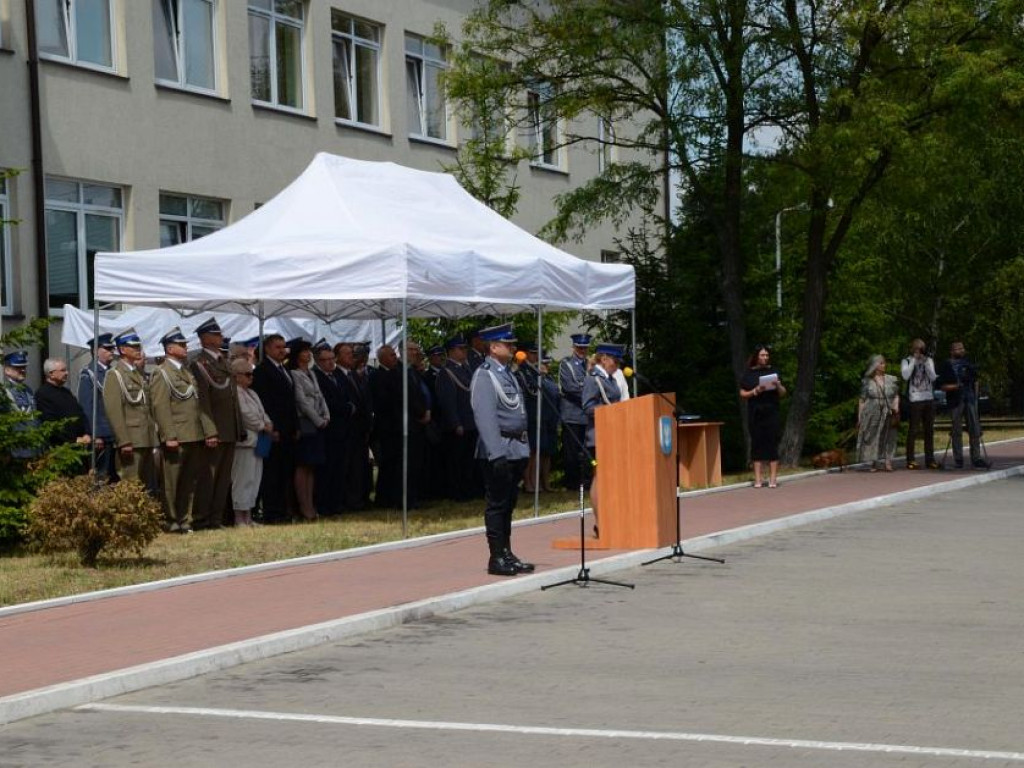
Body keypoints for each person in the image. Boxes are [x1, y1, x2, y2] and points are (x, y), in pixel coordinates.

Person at [470, 323, 534, 576]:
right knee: (497, 504)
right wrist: (496, 453)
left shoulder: (507, 373)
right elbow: (485, 417)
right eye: (508, 344)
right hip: (498, 450)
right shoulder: (485, 374)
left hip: (515, 448)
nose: (512, 348)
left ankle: (507, 552)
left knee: (509, 504)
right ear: (493, 348)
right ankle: (496, 556)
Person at [150, 327, 218, 533]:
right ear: (170, 349)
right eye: (181, 345)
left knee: (189, 481)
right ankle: (171, 520)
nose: (186, 347)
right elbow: (160, 407)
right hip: (177, 436)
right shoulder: (162, 373)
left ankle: (184, 519)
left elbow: (197, 407)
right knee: (172, 483)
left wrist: (208, 431)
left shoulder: (186, 371)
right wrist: (168, 435)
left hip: (193, 434)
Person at [190, 318, 241, 529]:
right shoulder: (199, 364)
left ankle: (216, 519)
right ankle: (202, 519)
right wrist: (209, 431)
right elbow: (202, 400)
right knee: (208, 478)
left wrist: (240, 427)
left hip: (229, 428)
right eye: (216, 334)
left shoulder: (223, 362)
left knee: (223, 479)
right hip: (215, 429)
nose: (220, 337)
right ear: (205, 338)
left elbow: (232, 398)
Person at [369, 344, 428, 509]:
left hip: (409, 424)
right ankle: (392, 499)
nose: (395, 358)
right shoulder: (383, 376)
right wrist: (419, 412)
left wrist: (423, 411)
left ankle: (408, 497)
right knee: (394, 465)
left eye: (395, 355)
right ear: (381, 358)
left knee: (409, 465)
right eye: (391, 356)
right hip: (393, 427)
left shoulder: (405, 372)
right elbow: (398, 399)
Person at [252, 333, 298, 524]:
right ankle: (272, 511)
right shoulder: (263, 371)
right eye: (278, 347)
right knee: (272, 473)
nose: (282, 350)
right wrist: (273, 428)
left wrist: (295, 426)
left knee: (285, 471)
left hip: (288, 429)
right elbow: (266, 403)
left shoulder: (284, 369)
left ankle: (283, 509)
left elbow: (290, 401)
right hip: (273, 430)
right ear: (268, 349)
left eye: (283, 346)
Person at [102, 329, 158, 486]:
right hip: (131, 439)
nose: (138, 349)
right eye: (133, 346)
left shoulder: (139, 374)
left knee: (146, 486)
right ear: (122, 349)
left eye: (139, 346)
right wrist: (123, 440)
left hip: (146, 438)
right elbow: (114, 411)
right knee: (130, 486)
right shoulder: (115, 375)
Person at [582, 343, 625, 537]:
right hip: (598, 436)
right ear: (605, 359)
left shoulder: (609, 379)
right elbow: (588, 406)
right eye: (615, 361)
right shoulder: (594, 379)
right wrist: (611, 412)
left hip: (613, 434)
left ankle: (613, 519)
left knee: (612, 479)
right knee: (599, 478)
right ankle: (600, 523)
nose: (617, 366)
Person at [289, 339, 329, 521]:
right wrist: (317, 419)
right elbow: (301, 401)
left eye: (309, 351)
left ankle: (311, 504)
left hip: (318, 420)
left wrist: (326, 415)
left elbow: (319, 395)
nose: (308, 354)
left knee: (311, 466)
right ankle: (304, 506)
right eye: (304, 351)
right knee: (303, 464)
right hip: (305, 421)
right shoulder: (294, 374)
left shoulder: (311, 374)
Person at [435, 334, 479, 501]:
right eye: (460, 349)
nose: (464, 352)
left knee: (468, 460)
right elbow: (447, 401)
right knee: (456, 461)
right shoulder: (447, 372)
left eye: (464, 348)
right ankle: (456, 491)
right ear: (451, 351)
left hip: (470, 422)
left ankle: (467, 489)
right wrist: (455, 423)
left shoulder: (465, 369)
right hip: (459, 424)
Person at [231, 357, 272, 527]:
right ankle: (239, 518)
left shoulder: (252, 392)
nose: (251, 378)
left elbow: (262, 412)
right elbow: (246, 415)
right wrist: (262, 425)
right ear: (236, 376)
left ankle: (248, 515)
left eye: (251, 374)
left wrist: (268, 423)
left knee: (255, 479)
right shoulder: (236, 393)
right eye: (247, 374)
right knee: (243, 479)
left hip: (259, 440)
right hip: (246, 441)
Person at [739, 345, 787, 488]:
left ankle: (773, 479)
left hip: (772, 411)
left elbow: (783, 393)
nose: (765, 358)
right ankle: (758, 479)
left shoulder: (773, 371)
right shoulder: (749, 374)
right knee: (757, 444)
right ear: (756, 357)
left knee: (772, 443)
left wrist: (778, 386)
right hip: (755, 413)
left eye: (766, 355)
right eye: (762, 355)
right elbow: (742, 393)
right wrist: (755, 391)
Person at [514, 343, 559, 493]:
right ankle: (528, 483)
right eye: (532, 353)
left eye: (536, 354)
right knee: (531, 452)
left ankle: (537, 482)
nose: (535, 357)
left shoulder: (535, 373)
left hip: (541, 416)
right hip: (530, 415)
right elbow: (529, 393)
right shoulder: (521, 373)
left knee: (540, 451)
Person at [313, 342, 352, 517]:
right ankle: (324, 505)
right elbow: (328, 402)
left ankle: (337, 503)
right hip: (328, 430)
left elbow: (349, 396)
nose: (330, 363)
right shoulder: (316, 377)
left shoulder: (339, 376)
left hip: (343, 430)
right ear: (317, 361)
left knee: (340, 469)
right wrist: (346, 408)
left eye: (331, 359)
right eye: (325, 360)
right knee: (326, 471)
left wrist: (349, 407)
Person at [937, 340, 987, 469]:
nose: (961, 350)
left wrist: (976, 398)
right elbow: (942, 386)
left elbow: (975, 381)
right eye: (958, 349)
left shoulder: (968, 363)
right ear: (952, 351)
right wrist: (956, 386)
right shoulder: (946, 365)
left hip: (969, 399)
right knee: (956, 430)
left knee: (974, 429)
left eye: (962, 348)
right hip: (955, 400)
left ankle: (976, 458)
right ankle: (958, 459)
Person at [335, 342, 372, 511]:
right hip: (345, 430)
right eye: (347, 353)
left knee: (358, 467)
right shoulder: (336, 375)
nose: (351, 356)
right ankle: (346, 501)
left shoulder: (354, 375)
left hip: (359, 430)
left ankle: (358, 499)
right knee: (346, 467)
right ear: (338, 357)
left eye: (352, 353)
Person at [77, 333, 117, 480]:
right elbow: (87, 406)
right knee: (101, 476)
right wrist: (95, 434)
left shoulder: (112, 372)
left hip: (114, 433)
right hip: (101, 435)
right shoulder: (89, 373)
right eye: (107, 348)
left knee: (113, 475)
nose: (111, 351)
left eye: (112, 348)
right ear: (95, 351)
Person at [559, 333, 593, 491]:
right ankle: (571, 483)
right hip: (572, 415)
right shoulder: (566, 364)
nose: (582, 350)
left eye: (585, 347)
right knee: (571, 452)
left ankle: (586, 481)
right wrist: (589, 393)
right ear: (573, 347)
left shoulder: (591, 364)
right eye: (579, 347)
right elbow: (570, 388)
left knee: (586, 451)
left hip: (586, 416)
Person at [857, 354, 900, 472]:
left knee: (890, 436)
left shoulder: (891, 379)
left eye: (884, 363)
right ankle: (874, 462)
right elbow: (862, 399)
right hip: (872, 411)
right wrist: (860, 417)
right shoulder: (867, 381)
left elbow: (896, 395)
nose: (884, 365)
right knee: (873, 436)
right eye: (881, 363)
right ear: (875, 365)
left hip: (888, 410)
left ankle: (888, 461)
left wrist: (896, 407)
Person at [900, 338, 938, 470]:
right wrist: (914, 361)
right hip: (914, 399)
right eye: (917, 348)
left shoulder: (929, 360)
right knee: (913, 430)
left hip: (928, 397)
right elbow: (905, 376)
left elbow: (933, 377)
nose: (919, 351)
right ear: (912, 349)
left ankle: (930, 459)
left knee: (929, 430)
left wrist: (926, 362)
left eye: (921, 349)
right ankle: (910, 459)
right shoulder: (907, 361)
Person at [35, 358, 91, 448]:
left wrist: (87, 433)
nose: (67, 373)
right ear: (51, 374)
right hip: (61, 448)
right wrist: (72, 440)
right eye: (62, 370)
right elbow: (50, 423)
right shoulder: (43, 394)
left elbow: (80, 413)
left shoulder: (66, 392)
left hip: (80, 443)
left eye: (66, 370)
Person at [2, 351, 40, 459]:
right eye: (18, 368)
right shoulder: (4, 391)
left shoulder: (28, 390)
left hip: (32, 447)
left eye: (24, 367)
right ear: (7, 371)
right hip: (15, 449)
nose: (22, 370)